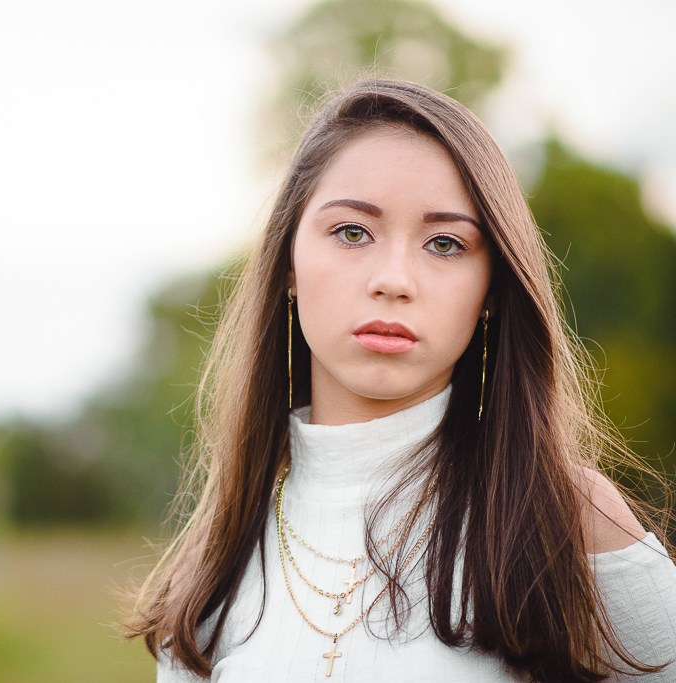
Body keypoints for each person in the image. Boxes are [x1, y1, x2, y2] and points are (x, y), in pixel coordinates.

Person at [124, 79, 676, 682]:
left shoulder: (566, 520)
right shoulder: (215, 566)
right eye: (352, 232)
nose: (394, 279)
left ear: (490, 288)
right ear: (287, 262)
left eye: (444, 243)